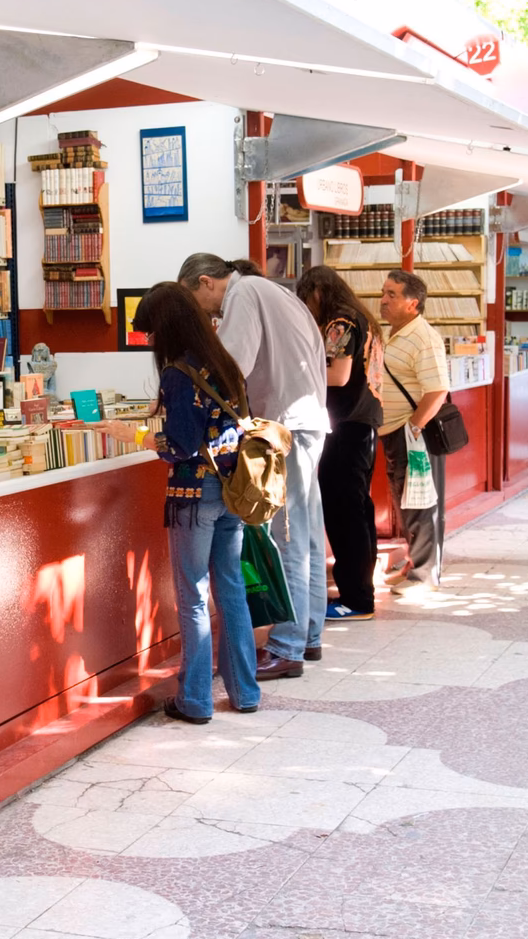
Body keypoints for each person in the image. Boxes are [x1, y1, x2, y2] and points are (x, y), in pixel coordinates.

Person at [178, 254, 328, 679]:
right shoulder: (276, 291)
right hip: (307, 420)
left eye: (196, 300)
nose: (202, 312)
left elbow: (232, 366)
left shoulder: (244, 294)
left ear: (207, 282)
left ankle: (287, 645)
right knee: (307, 532)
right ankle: (309, 633)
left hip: (283, 426)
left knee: (287, 537)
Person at [122, 283, 262, 723]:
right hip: (230, 492)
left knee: (194, 596)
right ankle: (245, 693)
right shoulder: (224, 363)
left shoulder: (179, 374)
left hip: (192, 497)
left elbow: (179, 445)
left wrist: (140, 437)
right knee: (231, 591)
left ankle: (197, 699)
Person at [296, 265, 384, 623]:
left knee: (343, 513)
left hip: (345, 426)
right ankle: (360, 590)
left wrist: (300, 367)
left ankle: (356, 598)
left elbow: (338, 374)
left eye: (307, 298)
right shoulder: (363, 319)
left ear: (318, 291)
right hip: (364, 423)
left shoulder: (341, 323)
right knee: (358, 511)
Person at [378, 270, 452, 591]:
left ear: (413, 303)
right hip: (395, 432)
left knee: (418, 503)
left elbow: (437, 390)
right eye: (383, 293)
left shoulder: (423, 338)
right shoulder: (395, 333)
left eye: (392, 295)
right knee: (405, 500)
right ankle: (415, 566)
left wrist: (414, 427)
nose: (383, 300)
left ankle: (424, 575)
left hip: (411, 435)